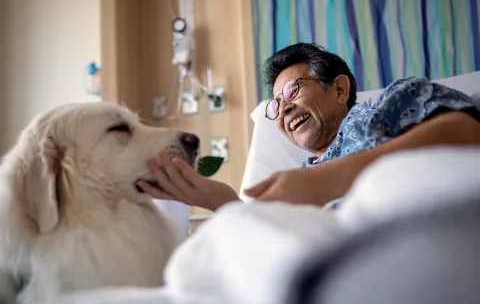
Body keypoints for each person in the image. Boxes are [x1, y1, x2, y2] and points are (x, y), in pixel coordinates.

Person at [137, 43, 480, 211]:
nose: (283, 107)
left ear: (340, 89)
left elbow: (468, 132)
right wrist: (226, 206)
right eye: (276, 104)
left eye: (292, 90)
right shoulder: (295, 181)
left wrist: (330, 178)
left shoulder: (396, 102)